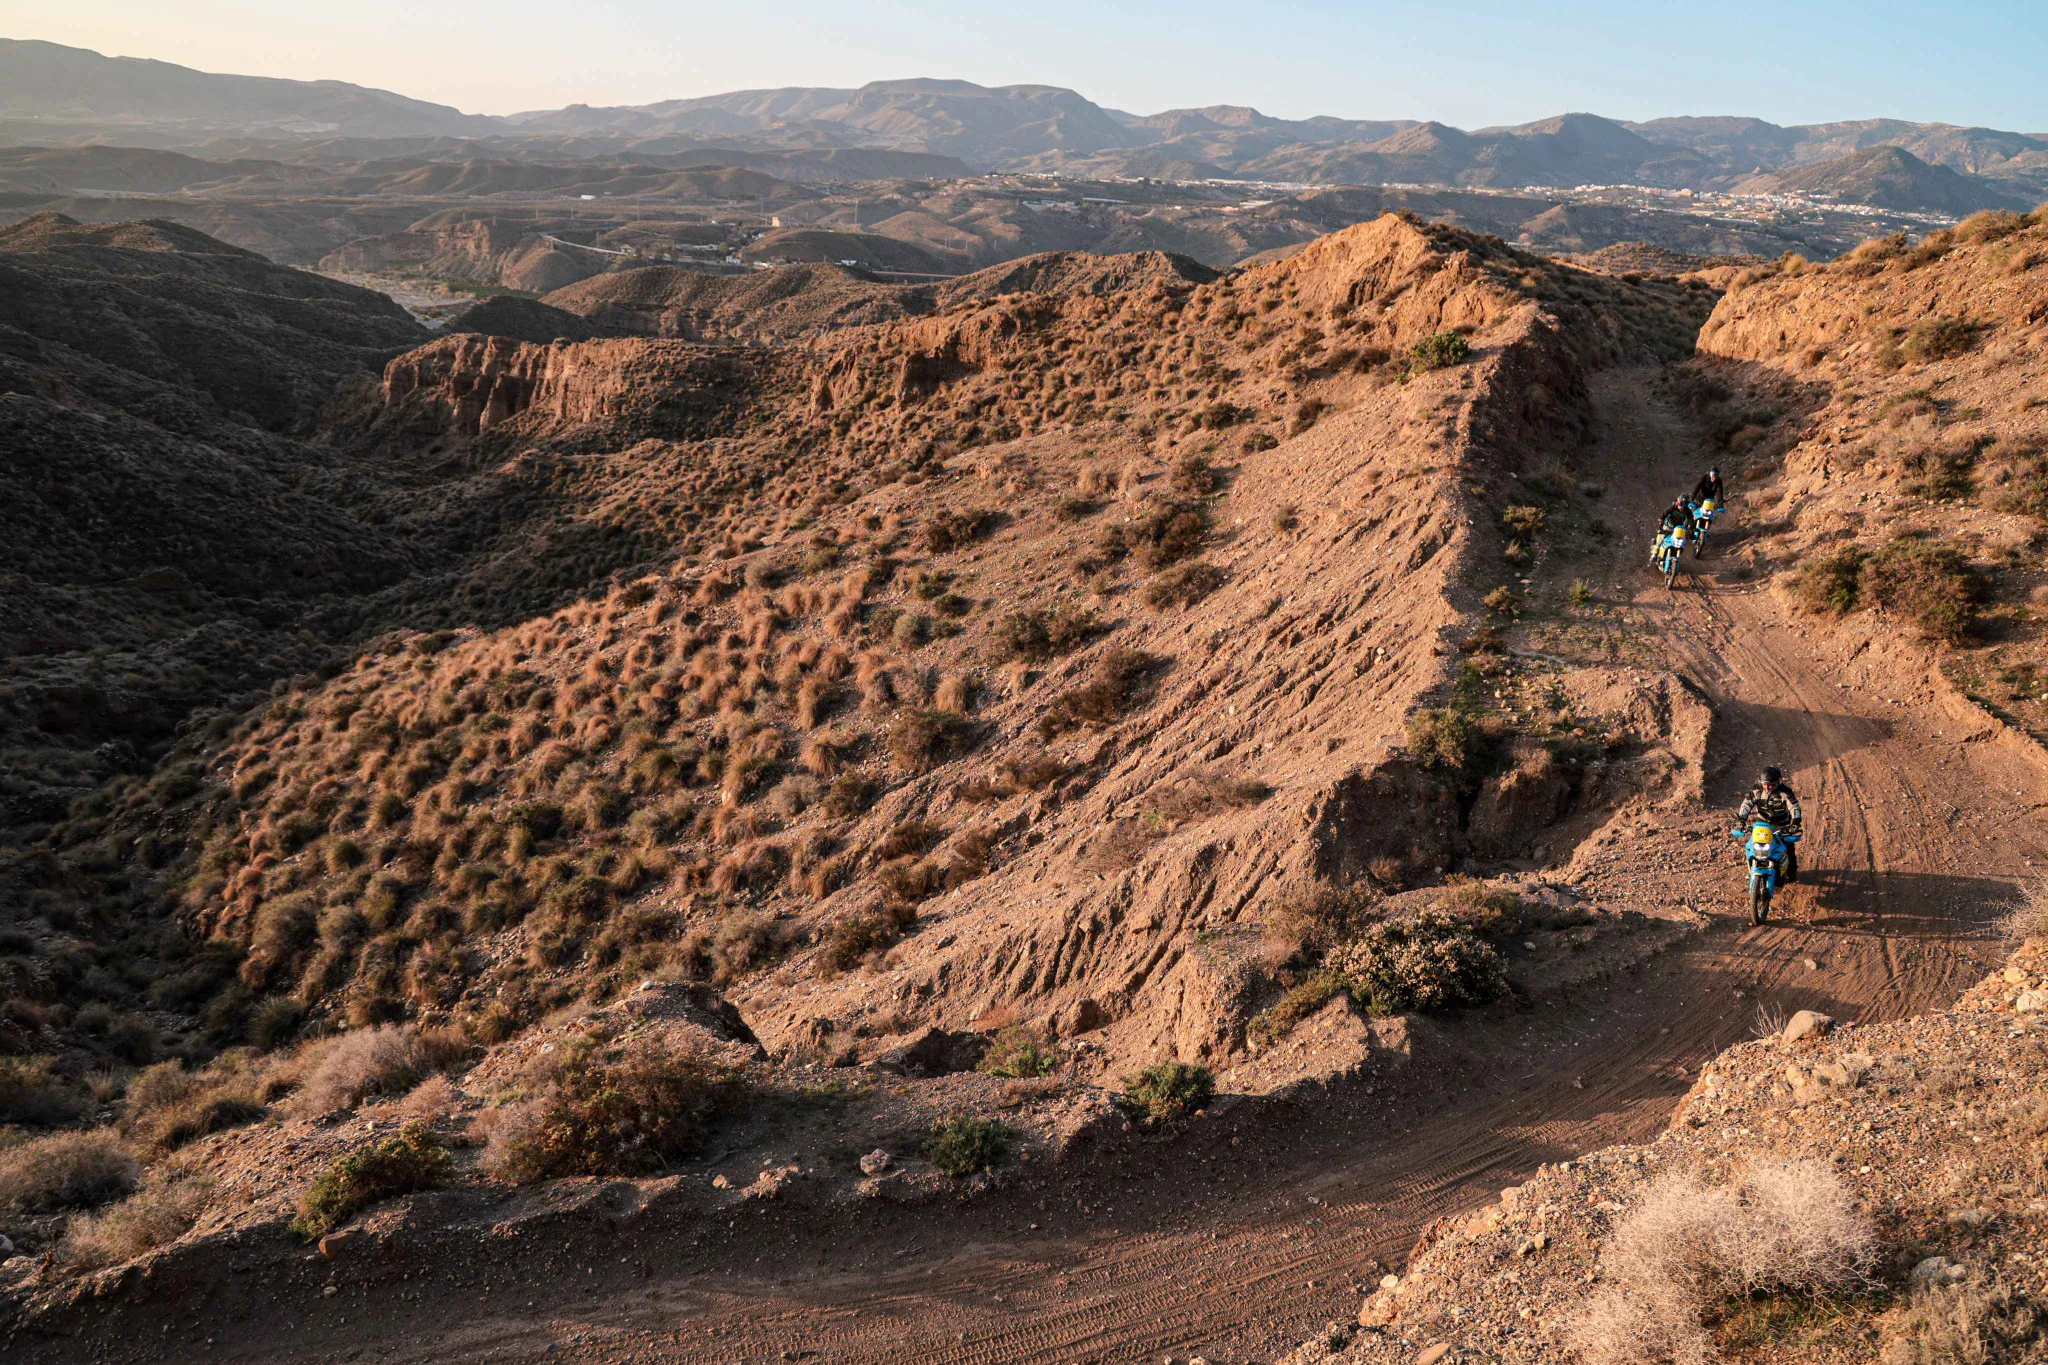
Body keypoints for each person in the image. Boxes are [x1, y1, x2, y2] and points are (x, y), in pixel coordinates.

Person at [1737, 765, 1804, 882]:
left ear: (1778, 782)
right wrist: (1742, 819)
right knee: (1752, 845)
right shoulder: (1756, 791)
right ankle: (1754, 867)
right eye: (1765, 784)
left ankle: (1792, 873)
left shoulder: (1786, 792)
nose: (1768, 787)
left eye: (1772, 784)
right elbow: (1746, 804)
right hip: (1762, 823)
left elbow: (1795, 808)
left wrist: (1795, 823)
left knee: (1788, 849)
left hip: (1782, 824)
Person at [1652, 495, 1694, 564]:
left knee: (1681, 541)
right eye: (1682, 503)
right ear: (1678, 502)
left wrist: (1691, 529)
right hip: (1668, 526)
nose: (1683, 506)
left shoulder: (1688, 511)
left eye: (1686, 504)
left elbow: (1691, 520)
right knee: (1661, 539)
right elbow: (1665, 513)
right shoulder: (1673, 507)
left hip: (1678, 529)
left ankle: (1674, 554)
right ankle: (1654, 555)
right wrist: (1661, 520)